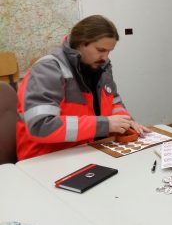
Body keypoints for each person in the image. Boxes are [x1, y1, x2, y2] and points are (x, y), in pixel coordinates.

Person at [16, 15, 150, 161]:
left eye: (109, 51)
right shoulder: (47, 69)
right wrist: (105, 125)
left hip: (86, 151)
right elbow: (40, 126)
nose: (105, 57)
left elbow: (114, 101)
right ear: (80, 43)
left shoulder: (101, 66)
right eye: (100, 50)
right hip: (45, 159)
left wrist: (125, 121)